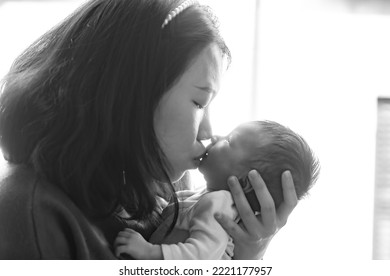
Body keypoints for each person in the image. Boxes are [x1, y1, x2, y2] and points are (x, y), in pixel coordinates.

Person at [0, 0, 299, 260]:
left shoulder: (174, 184)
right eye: (199, 103)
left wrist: (247, 257)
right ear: (131, 94)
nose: (208, 130)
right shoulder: (30, 214)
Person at [114, 120, 320, 259]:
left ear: (245, 181)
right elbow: (177, 213)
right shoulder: (206, 195)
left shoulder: (219, 206)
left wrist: (150, 253)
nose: (214, 136)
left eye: (229, 141)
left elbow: (201, 255)